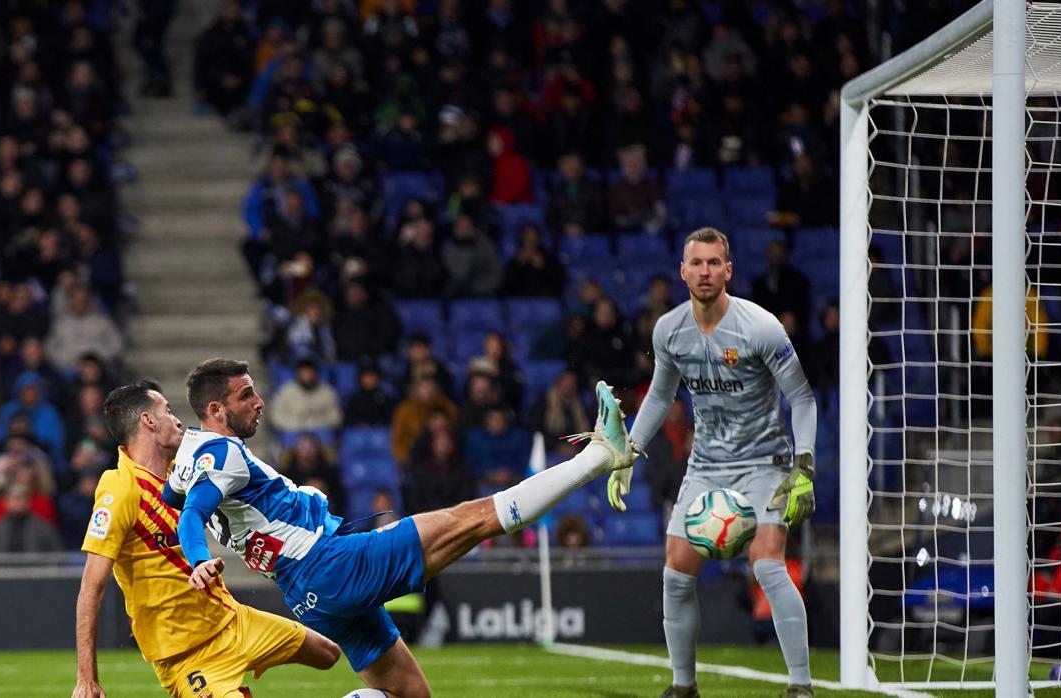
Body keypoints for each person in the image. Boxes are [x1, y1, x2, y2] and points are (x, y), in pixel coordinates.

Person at [165, 358, 636, 697]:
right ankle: (597, 455)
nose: (259, 401)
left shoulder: (186, 463)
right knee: (475, 519)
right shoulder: (222, 455)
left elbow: (174, 500)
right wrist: (200, 558)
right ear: (216, 411)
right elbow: (192, 514)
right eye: (245, 394)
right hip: (329, 566)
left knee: (411, 695)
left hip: (307, 593)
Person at [608, 228, 818, 698]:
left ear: (728, 270)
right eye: (696, 263)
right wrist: (629, 452)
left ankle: (800, 687)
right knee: (676, 573)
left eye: (713, 263)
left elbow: (803, 399)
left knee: (767, 565)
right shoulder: (668, 330)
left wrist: (803, 467)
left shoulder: (761, 327)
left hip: (766, 462)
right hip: (706, 466)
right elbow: (661, 395)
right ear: (682, 271)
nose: (704, 271)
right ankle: (684, 688)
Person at [72, 381, 340, 698]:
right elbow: (92, 586)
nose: (178, 420)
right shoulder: (120, 488)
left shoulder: (181, 476)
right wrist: (86, 678)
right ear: (148, 421)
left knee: (328, 653)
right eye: (167, 411)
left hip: (234, 621)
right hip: (187, 657)